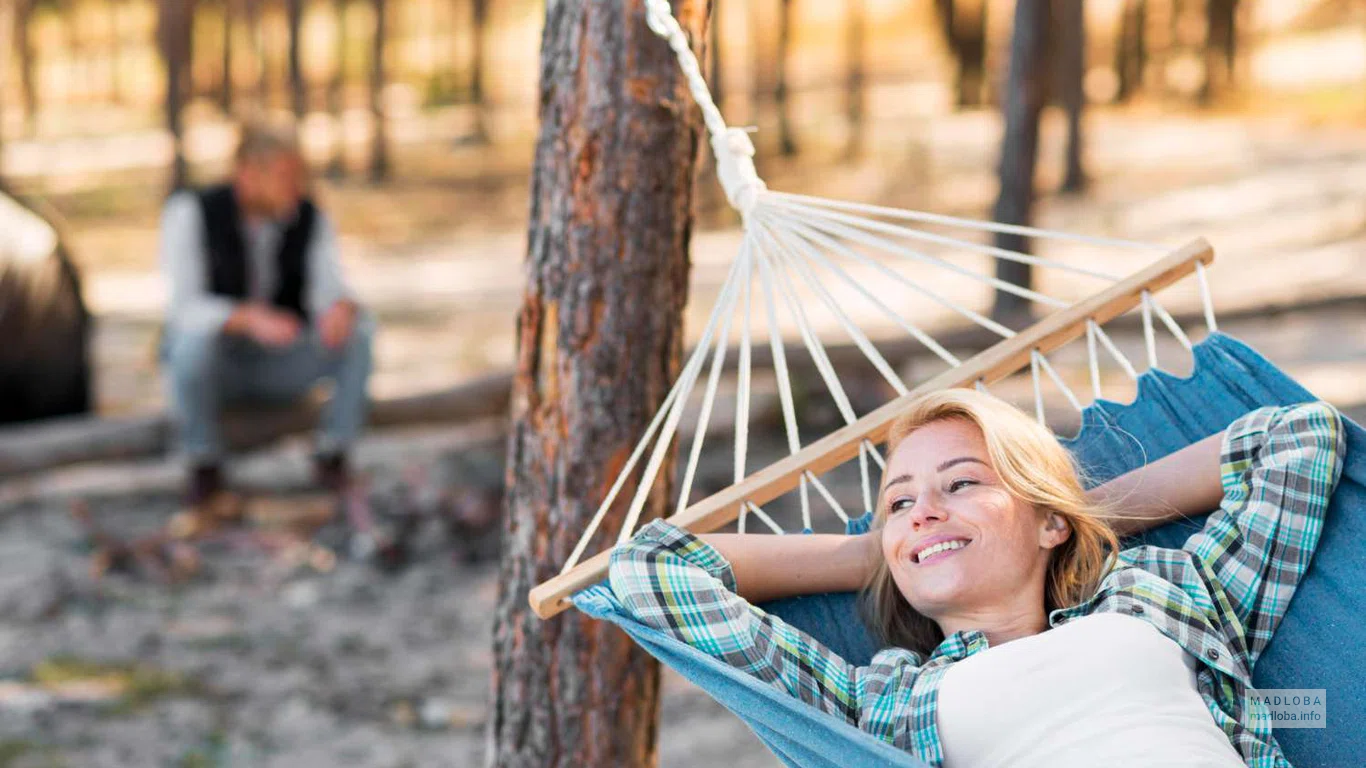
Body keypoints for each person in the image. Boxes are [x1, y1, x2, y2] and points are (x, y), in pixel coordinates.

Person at [608, 389, 1345, 767]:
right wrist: (880, 555)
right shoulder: (882, 702)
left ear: (1048, 520)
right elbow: (653, 570)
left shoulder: (1160, 600)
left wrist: (1076, 518)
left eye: (961, 485)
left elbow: (1295, 438)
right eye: (899, 501)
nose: (923, 511)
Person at [160, 123, 373, 506]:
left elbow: (330, 289)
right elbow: (185, 308)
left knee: (361, 330)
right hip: (218, 367)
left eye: (298, 177)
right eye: (284, 177)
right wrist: (249, 318)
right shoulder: (190, 213)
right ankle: (203, 463)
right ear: (247, 174)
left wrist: (340, 309)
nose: (296, 188)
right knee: (190, 342)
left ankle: (333, 453)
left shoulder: (310, 218)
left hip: (279, 363)